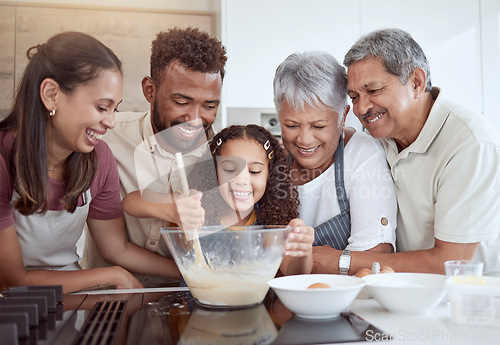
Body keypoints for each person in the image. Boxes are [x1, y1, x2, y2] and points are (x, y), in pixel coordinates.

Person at [0, 32, 180, 294]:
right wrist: (111, 276)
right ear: (52, 94)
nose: (111, 122)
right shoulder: (4, 159)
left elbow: (115, 248)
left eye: (114, 109)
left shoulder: (99, 159)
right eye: (101, 107)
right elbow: (12, 279)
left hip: (70, 302)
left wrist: (192, 275)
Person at [338, 28, 500, 275]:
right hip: (403, 289)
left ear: (416, 82)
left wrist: (336, 260)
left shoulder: (470, 143)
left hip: (468, 298)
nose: (362, 108)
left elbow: (450, 264)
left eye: (373, 91)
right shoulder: (378, 135)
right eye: (354, 96)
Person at [81, 27, 228, 286]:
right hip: (103, 298)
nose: (195, 120)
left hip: (181, 300)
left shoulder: (224, 156)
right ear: (150, 90)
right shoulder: (105, 136)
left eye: (209, 106)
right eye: (182, 102)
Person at [122, 124, 316, 276]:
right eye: (230, 169)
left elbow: (295, 271)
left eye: (254, 171)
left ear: (270, 176)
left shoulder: (271, 224)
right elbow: (131, 203)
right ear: (214, 172)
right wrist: (174, 207)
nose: (241, 180)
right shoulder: (195, 209)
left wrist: (303, 250)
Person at [273, 51, 398, 275]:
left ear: (342, 117)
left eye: (318, 126)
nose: (304, 140)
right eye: (291, 125)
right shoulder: (271, 163)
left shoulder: (361, 153)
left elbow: (376, 256)